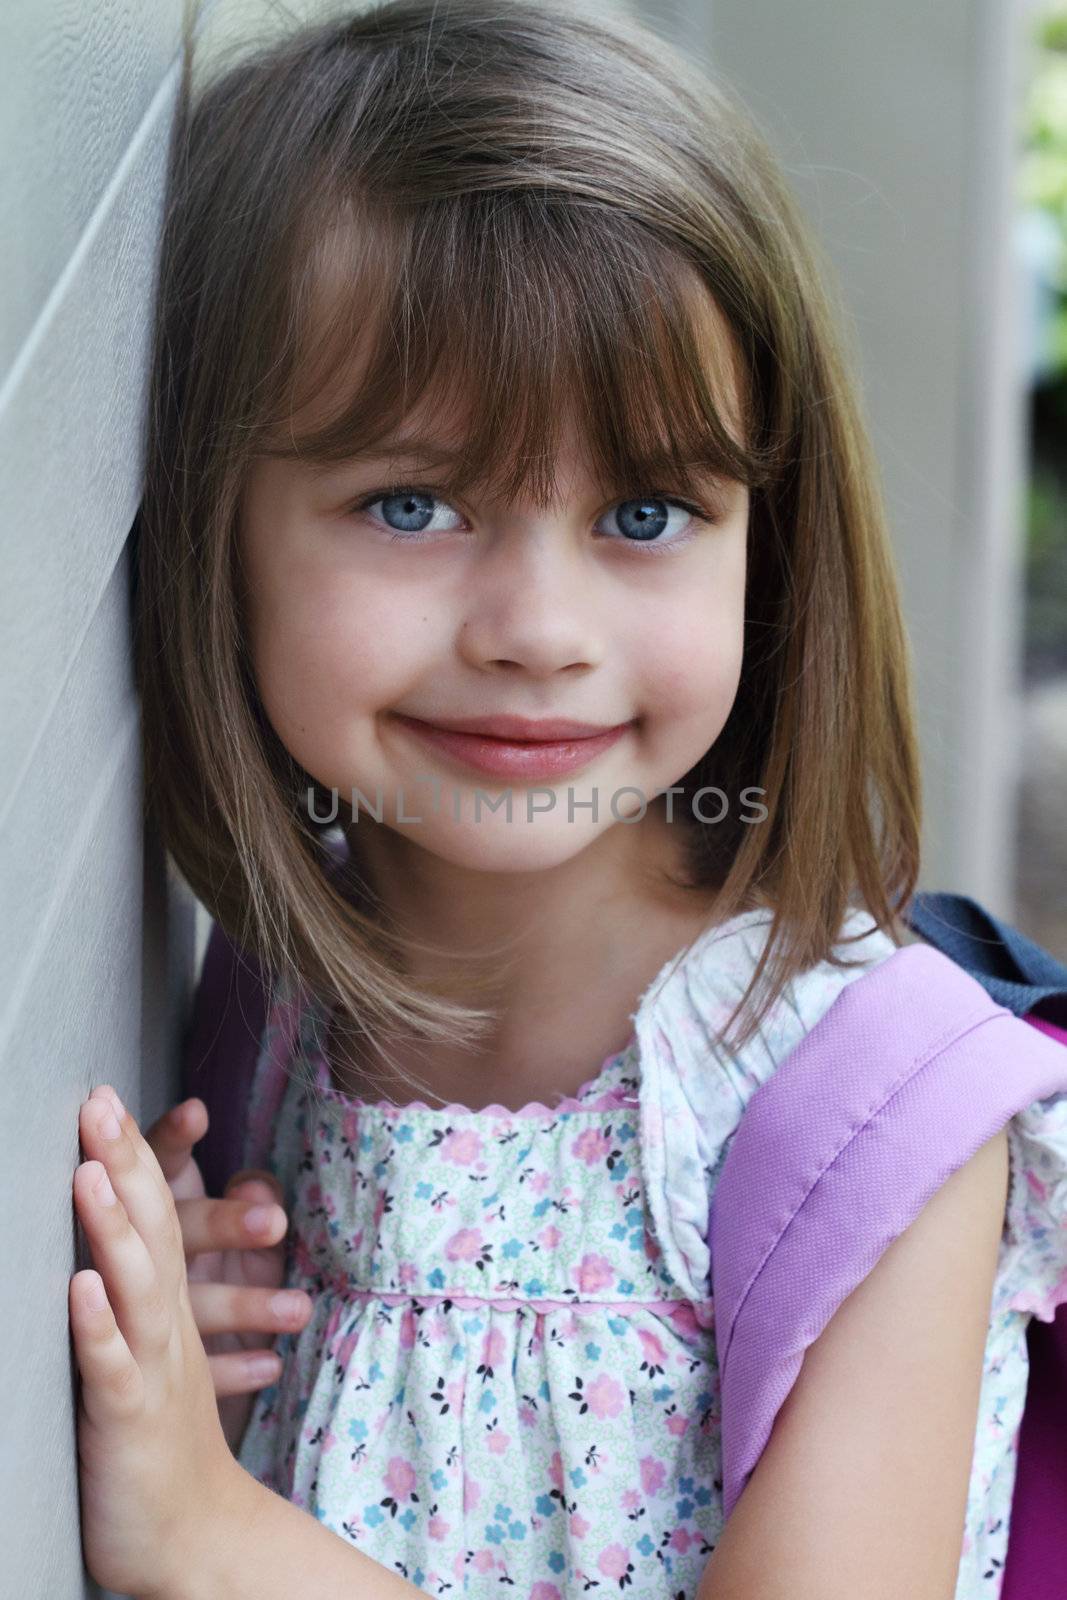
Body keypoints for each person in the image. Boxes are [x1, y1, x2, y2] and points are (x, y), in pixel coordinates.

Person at [66, 1, 1067, 1596]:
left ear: (773, 544)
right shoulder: (280, 1021)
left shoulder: (864, 1120)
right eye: (412, 501)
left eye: (648, 509)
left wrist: (207, 1531)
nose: (537, 632)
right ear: (211, 533)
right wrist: (199, 1358)